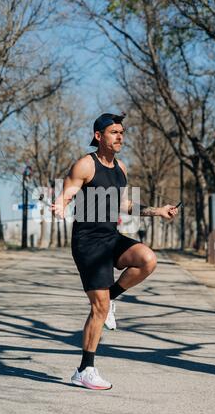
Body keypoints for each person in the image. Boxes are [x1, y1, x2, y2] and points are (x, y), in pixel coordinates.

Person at [51, 113, 179, 390]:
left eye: (122, 132)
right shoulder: (86, 164)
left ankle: (112, 296)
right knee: (99, 308)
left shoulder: (120, 167)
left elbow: (124, 205)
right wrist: (61, 204)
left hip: (110, 236)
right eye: (114, 132)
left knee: (147, 259)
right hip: (88, 244)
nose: (120, 136)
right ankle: (85, 370)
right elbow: (69, 190)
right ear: (99, 136)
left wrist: (157, 211)